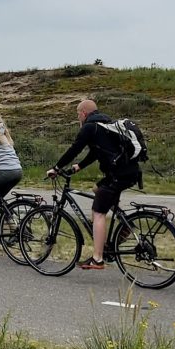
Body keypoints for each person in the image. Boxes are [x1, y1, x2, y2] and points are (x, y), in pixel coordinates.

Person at [47, 99, 141, 270]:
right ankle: (124, 224)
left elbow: (74, 149)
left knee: (98, 213)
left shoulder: (89, 127)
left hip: (117, 175)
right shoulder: (105, 124)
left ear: (83, 113)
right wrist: (78, 167)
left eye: (78, 114)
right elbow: (96, 152)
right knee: (97, 190)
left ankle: (97, 258)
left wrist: (56, 167)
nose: (78, 117)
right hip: (128, 172)